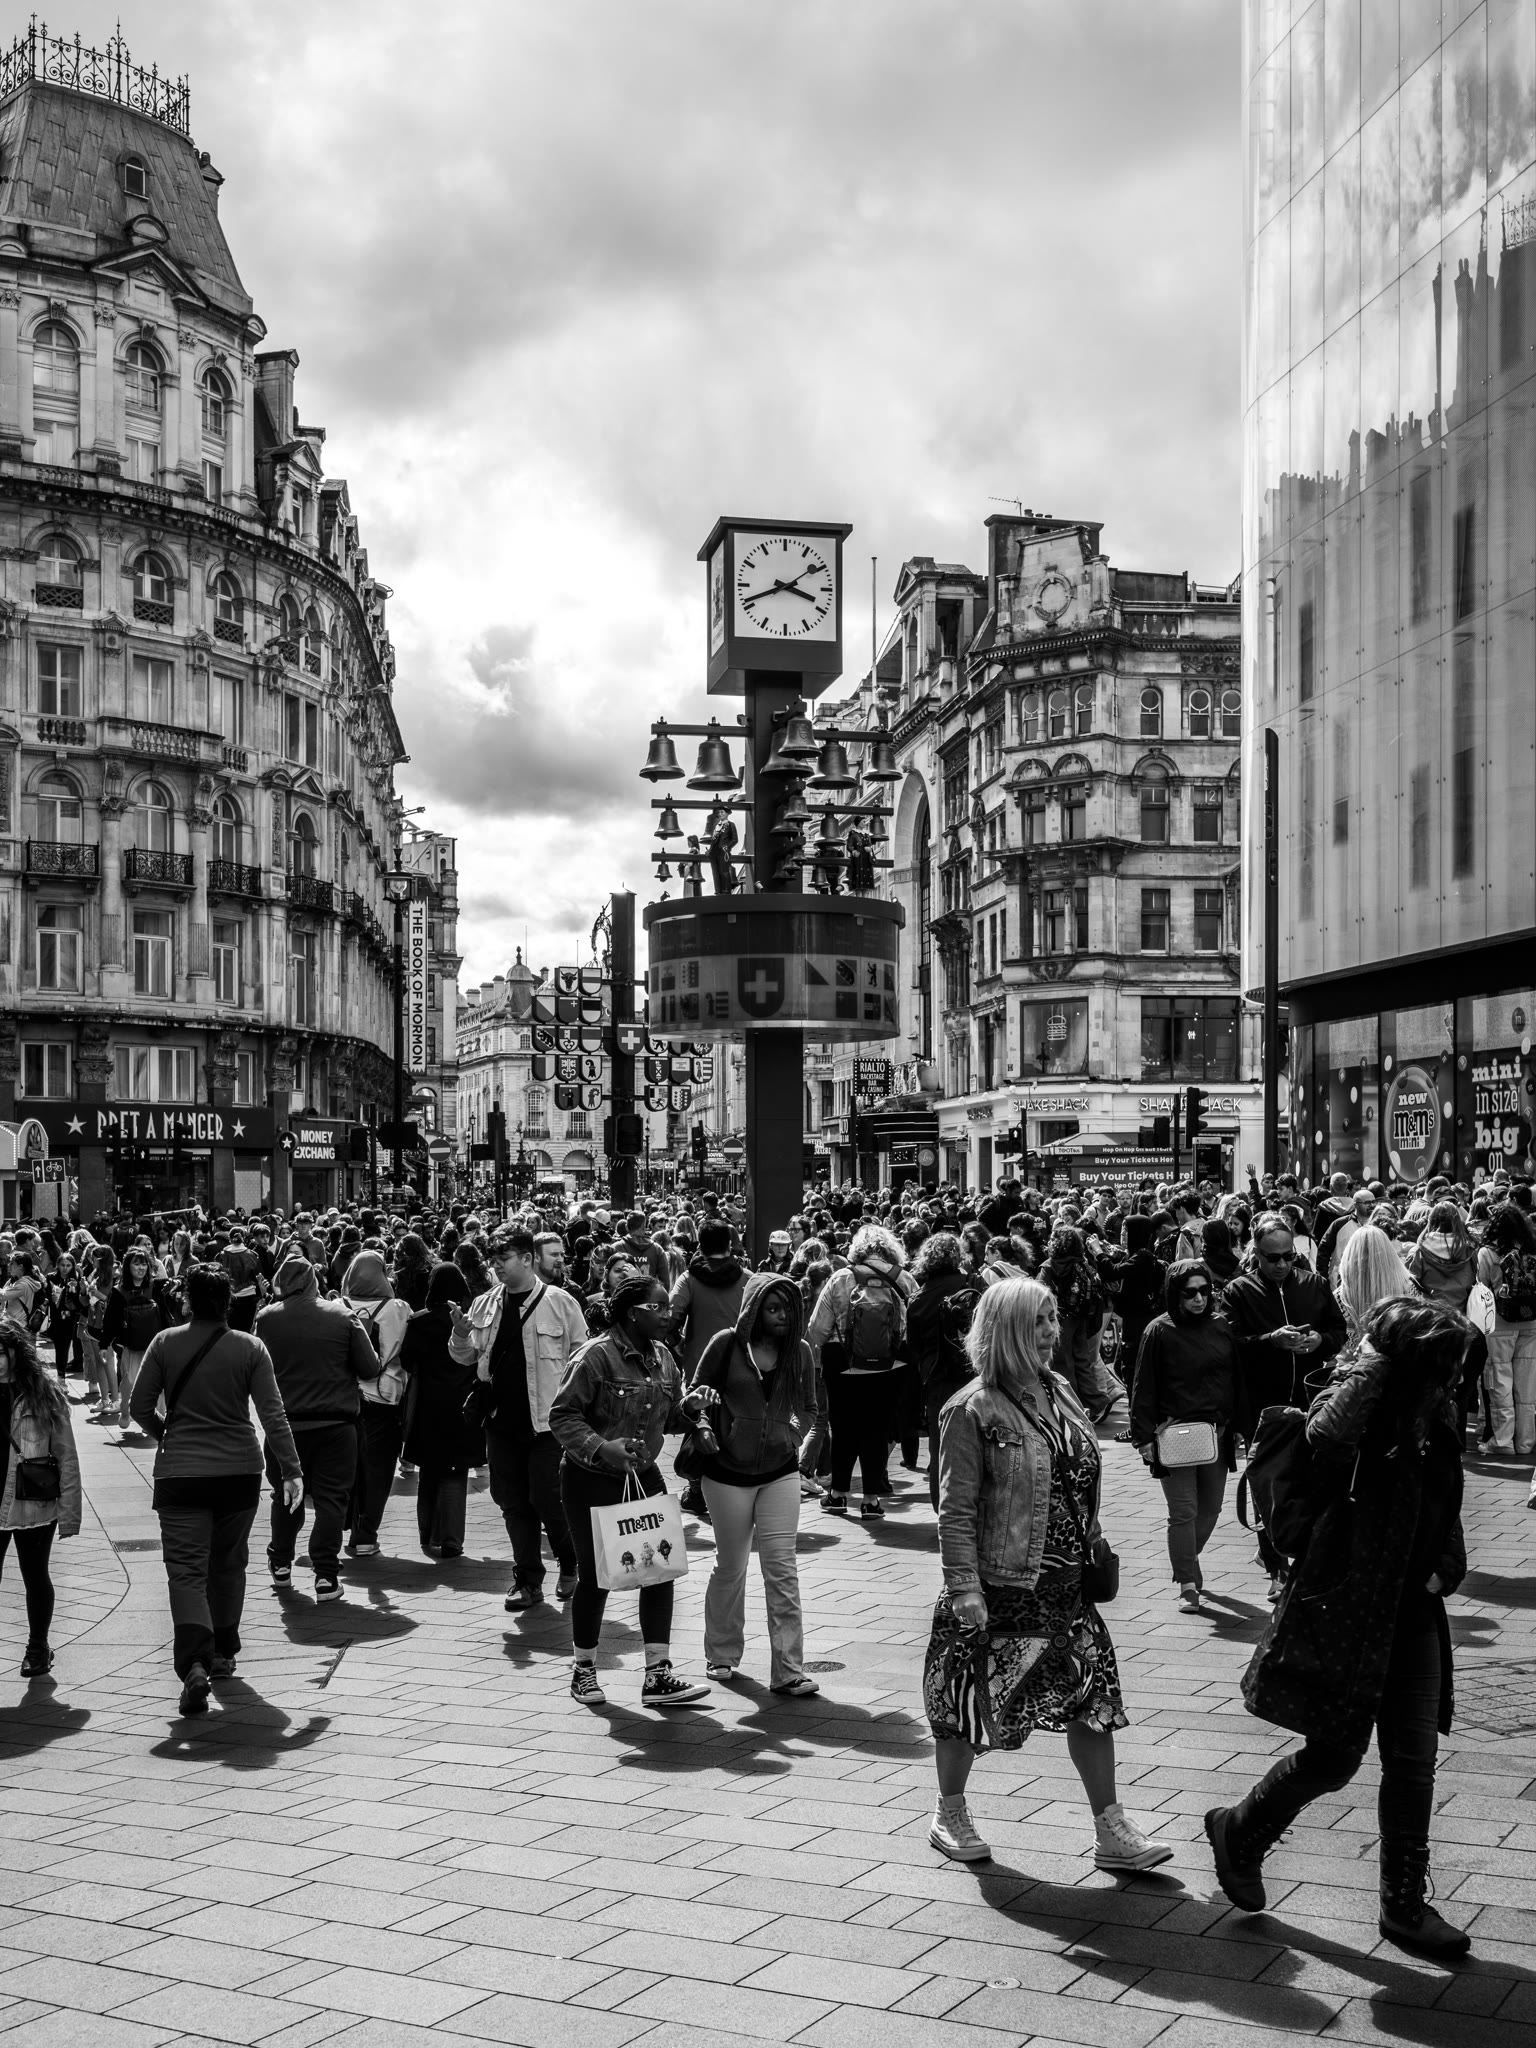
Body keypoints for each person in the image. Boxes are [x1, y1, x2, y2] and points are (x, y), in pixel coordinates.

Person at [1206, 1298, 1472, 1961]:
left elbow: (1445, 1496)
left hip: (1412, 1611)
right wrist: (1372, 1364)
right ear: (1409, 1364)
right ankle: (1241, 1830)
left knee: (1412, 1761)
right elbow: (1324, 1442)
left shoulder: (1436, 1409)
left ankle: (1403, 1906)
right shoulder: (1351, 1408)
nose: (1457, 1376)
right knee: (1334, 1759)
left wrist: (1446, 1566)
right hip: (1346, 1607)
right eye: (1446, 1363)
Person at [923, 1276, 1170, 1871]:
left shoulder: (1059, 1390)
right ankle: (949, 1812)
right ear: (1005, 1328)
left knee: (1093, 1700)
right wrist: (964, 1586)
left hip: (1066, 1586)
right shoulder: (972, 1408)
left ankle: (1111, 1828)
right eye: (1037, 1321)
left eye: (1053, 1318)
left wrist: (1093, 1540)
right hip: (1001, 1586)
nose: (1051, 1331)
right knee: (966, 1702)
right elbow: (955, 1508)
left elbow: (1078, 1477)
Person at [130, 1263, 302, 1717]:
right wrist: (291, 1469)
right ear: (228, 1302)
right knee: (229, 1564)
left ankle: (194, 1663)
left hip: (180, 1473)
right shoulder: (250, 1347)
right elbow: (273, 1414)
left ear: (187, 1300)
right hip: (238, 1471)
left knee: (186, 1571)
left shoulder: (165, 1343)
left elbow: (139, 1406)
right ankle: (223, 1652)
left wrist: (168, 1434)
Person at [547, 1268, 719, 1707]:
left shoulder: (663, 1356)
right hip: (590, 1479)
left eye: (667, 1307)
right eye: (656, 1307)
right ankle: (584, 1672)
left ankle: (657, 1676)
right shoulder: (594, 1357)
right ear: (630, 1313)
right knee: (596, 1576)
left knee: (658, 1569)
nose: (667, 1314)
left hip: (643, 1477)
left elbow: (669, 1416)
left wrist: (691, 1408)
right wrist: (603, 1448)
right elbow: (562, 1416)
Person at [690, 1272, 821, 1695]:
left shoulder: (799, 1351)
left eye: (789, 1309)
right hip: (726, 1473)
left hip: (780, 1472)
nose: (783, 1316)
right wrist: (703, 1419)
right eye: (773, 1308)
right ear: (753, 1310)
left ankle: (789, 1670)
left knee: (782, 1569)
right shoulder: (726, 1344)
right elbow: (694, 1398)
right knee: (731, 1565)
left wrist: (793, 1436)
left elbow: (810, 1408)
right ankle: (721, 1654)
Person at [448, 1226, 588, 1610]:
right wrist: (460, 1335)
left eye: (504, 1259)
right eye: (493, 1260)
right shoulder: (485, 1304)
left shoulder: (561, 1303)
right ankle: (527, 1579)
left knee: (548, 1497)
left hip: (548, 1424)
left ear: (527, 1259)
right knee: (512, 1502)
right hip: (500, 1422)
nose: (497, 1267)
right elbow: (465, 1357)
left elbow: (583, 1361)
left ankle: (571, 1561)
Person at [1222, 1213, 1349, 1600]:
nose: (1280, 1265)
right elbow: (1230, 1344)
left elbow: (1338, 1330)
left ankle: (1306, 1563)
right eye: (1272, 1258)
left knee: (1311, 1484)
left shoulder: (1314, 1284)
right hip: (1264, 1406)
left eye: (1287, 1256)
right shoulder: (1239, 1291)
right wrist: (1270, 1340)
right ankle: (1276, 1567)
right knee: (1266, 1487)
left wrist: (1320, 1342)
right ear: (1256, 1254)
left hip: (1311, 1403)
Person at [255, 1251, 376, 1600]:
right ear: (313, 1280)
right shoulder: (342, 1316)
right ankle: (325, 1575)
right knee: (331, 1500)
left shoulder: (266, 1318)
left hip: (284, 1427)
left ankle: (280, 1562)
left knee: (285, 1495)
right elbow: (369, 1368)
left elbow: (254, 1367)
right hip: (336, 1424)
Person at [1129, 1260, 1238, 1612]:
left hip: (1217, 1432)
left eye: (1205, 1291)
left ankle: (1187, 1558)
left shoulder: (1220, 1326)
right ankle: (1187, 1582)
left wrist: (1238, 1425)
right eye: (1190, 1293)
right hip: (1174, 1433)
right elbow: (1143, 1386)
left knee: (1211, 1509)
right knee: (1183, 1512)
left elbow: (1235, 1378)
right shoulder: (1158, 1331)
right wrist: (1143, 1437)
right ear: (1175, 1293)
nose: (1199, 1299)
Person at [806, 1223, 908, 1519]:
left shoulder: (841, 1277)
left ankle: (838, 1495)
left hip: (843, 1363)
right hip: (890, 1364)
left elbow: (817, 1329)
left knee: (843, 1427)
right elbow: (911, 1327)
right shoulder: (903, 1279)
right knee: (878, 1428)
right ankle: (871, 1500)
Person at [0, 1321, 81, 1677]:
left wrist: (70, 1514)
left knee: (35, 1576)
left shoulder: (43, 1394)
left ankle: (38, 1647)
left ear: (17, 1353)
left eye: (1, 1353)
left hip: (32, 1503)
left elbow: (66, 1455)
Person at [401, 1262, 482, 1558]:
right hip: (463, 1405)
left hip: (428, 1405)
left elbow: (407, 1361)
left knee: (429, 1471)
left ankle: (427, 1534)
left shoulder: (419, 1321)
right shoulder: (469, 1322)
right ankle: (451, 1540)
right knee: (455, 1473)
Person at [903, 1232, 985, 1510]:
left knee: (940, 1447)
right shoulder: (974, 1284)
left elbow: (913, 1347)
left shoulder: (918, 1298)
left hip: (937, 1380)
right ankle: (976, 1504)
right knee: (979, 1441)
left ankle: (944, 1509)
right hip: (975, 1376)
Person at [342, 1251, 412, 1557]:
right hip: (385, 1397)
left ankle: (348, 1526)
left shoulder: (338, 1306)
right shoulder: (398, 1309)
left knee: (349, 1466)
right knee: (379, 1468)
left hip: (346, 1397)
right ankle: (366, 1534)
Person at [1482, 1204, 1536, 1456]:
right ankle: (1525, 1442)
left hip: (1500, 1323)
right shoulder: (1533, 1249)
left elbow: (1481, 1288)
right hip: (1532, 1321)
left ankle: (1503, 1441)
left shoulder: (1488, 1253)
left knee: (1500, 1381)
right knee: (1527, 1387)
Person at [102, 1245, 173, 1432]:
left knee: (158, 1385)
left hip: (155, 1345)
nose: (141, 1268)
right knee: (130, 1381)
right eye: (136, 1264)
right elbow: (110, 1319)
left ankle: (156, 1421)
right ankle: (125, 1412)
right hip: (131, 1346)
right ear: (128, 1266)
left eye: (144, 1264)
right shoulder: (119, 1291)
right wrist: (104, 1344)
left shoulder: (154, 1287)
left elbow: (165, 1315)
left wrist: (171, 1336)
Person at [1404, 1201, 1476, 1314]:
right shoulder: (1469, 1250)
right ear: (1457, 1221)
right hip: (1462, 1315)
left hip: (1429, 1316)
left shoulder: (1419, 1251)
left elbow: (1408, 1285)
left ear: (1431, 1220)